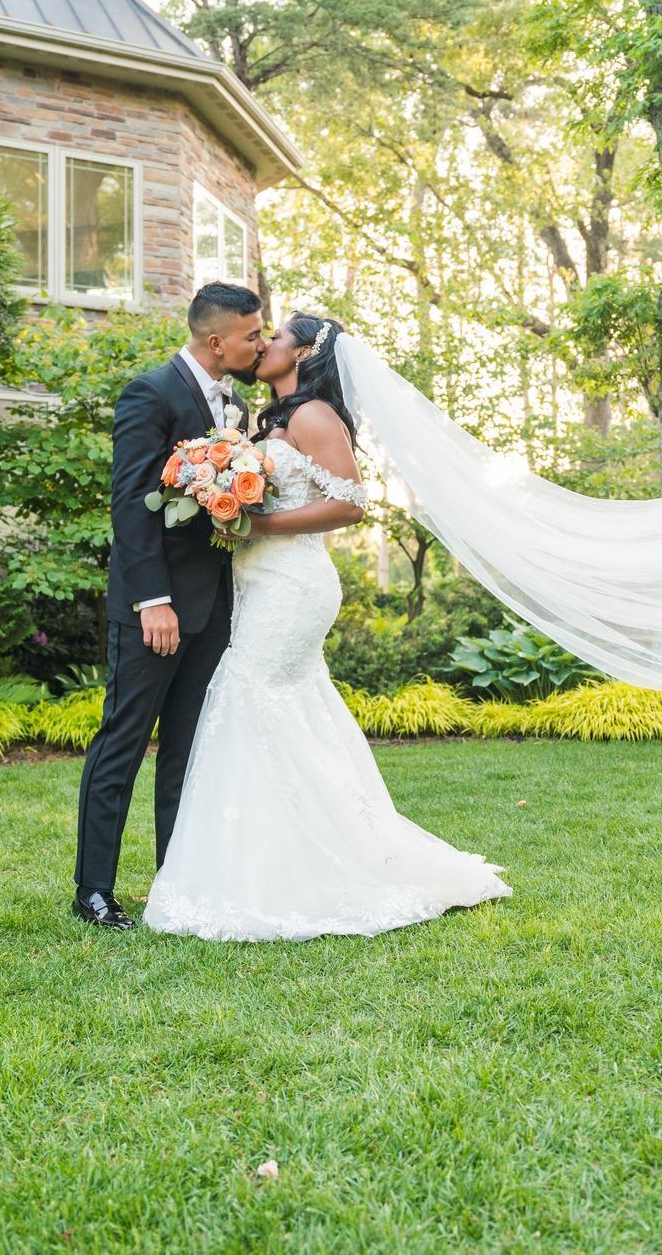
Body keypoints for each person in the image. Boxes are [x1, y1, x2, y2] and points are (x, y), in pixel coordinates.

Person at [141, 314, 512, 941]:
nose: (264, 345)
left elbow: (350, 503)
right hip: (256, 580)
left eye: (276, 337)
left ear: (304, 353)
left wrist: (256, 525)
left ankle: (287, 871)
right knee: (278, 708)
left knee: (250, 695)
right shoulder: (269, 419)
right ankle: (275, 858)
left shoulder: (314, 415)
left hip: (293, 583)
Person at [71, 282, 262, 929]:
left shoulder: (236, 403)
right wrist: (153, 600)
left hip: (213, 606)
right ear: (216, 341)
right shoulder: (149, 393)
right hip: (154, 609)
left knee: (187, 748)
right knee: (123, 742)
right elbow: (131, 504)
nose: (259, 344)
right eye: (251, 335)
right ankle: (93, 891)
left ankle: (174, 883)